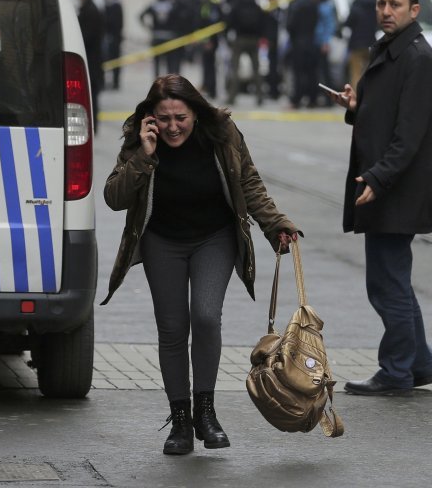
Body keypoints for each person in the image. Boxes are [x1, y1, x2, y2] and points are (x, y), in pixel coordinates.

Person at [103, 74, 300, 455]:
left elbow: (249, 183)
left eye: (181, 117)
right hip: (162, 241)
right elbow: (114, 197)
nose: (173, 127)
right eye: (164, 118)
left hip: (215, 237)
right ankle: (180, 420)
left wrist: (274, 223)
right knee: (173, 328)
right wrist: (144, 156)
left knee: (206, 316)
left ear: (196, 112)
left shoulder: (222, 132)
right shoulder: (139, 141)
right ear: (150, 118)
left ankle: (205, 412)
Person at [327, 0, 432, 396]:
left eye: (394, 5)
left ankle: (396, 371)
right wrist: (356, 107)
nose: (385, 11)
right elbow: (386, 114)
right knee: (394, 281)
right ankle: (419, 362)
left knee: (386, 284)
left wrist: (377, 177)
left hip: (395, 190)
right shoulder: (392, 50)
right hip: (387, 187)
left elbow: (409, 134)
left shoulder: (418, 58)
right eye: (381, 4)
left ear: (414, 11)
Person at [225, 0, 266, 105]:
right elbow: (262, 20)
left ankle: (232, 97)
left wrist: (227, 36)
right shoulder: (255, 4)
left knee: (235, 68)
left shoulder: (236, 4)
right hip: (254, 39)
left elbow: (229, 22)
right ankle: (260, 97)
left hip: (240, 39)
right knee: (256, 69)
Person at [286, 0, 318, 108]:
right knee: (311, 72)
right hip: (310, 40)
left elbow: (290, 25)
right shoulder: (313, 4)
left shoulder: (294, 4)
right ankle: (313, 99)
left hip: (297, 42)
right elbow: (316, 21)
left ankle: (296, 99)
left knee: (298, 73)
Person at [77, 0, 104, 130]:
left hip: (91, 60)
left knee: (92, 94)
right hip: (93, 59)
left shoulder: (89, 11)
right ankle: (92, 124)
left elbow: (87, 36)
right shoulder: (90, 8)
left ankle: (93, 125)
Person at [342, 0, 377, 91]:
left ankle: (357, 95)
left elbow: (348, 22)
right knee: (370, 71)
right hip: (371, 42)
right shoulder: (373, 5)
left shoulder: (356, 5)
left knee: (356, 71)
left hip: (356, 43)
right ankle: (370, 92)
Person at [309, 0, 337, 106]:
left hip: (321, 42)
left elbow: (329, 25)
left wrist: (326, 42)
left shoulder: (326, 6)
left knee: (325, 72)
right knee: (313, 72)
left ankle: (329, 100)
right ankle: (314, 98)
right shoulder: (311, 5)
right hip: (312, 42)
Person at [197, 0, 222, 99]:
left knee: (209, 65)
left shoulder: (211, 6)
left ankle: (211, 89)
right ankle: (208, 86)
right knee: (207, 65)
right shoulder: (211, 4)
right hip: (208, 40)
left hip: (210, 41)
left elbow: (210, 24)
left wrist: (208, 41)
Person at [263, 0, 283, 100]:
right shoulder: (268, 9)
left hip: (276, 41)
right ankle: (272, 90)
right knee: (271, 66)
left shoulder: (277, 9)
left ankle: (275, 91)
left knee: (275, 66)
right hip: (270, 41)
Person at [103, 0, 124, 90]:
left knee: (112, 60)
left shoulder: (114, 5)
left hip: (113, 37)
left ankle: (115, 82)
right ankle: (115, 82)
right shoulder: (116, 5)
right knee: (113, 60)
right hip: (115, 37)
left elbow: (113, 22)